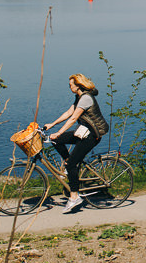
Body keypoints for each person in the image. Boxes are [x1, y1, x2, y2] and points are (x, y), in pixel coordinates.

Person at [43, 73, 109, 213]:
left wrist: (59, 132)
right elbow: (68, 112)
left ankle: (74, 197)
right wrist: (52, 124)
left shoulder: (85, 98)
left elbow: (73, 119)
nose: (69, 87)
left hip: (92, 135)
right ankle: (69, 166)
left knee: (71, 163)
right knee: (56, 141)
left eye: (71, 84)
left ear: (78, 85)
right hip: (84, 131)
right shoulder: (79, 97)